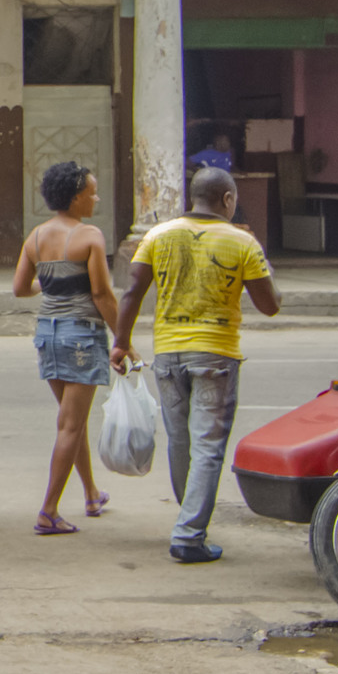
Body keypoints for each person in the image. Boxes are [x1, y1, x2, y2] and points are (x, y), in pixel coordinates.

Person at [108, 166, 280, 563]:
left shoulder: (156, 236)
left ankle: (190, 519)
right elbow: (270, 306)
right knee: (208, 444)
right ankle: (189, 534)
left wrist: (120, 343)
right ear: (227, 200)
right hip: (216, 353)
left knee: (182, 441)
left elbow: (132, 292)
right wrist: (262, 257)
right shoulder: (243, 242)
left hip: (168, 353)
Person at [12, 160, 120, 536]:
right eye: (91, 192)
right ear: (76, 198)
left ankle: (91, 493)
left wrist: (51, 283)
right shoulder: (90, 236)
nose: (96, 197)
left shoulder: (37, 237)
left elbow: (21, 288)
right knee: (71, 425)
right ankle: (49, 511)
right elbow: (102, 294)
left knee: (70, 422)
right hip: (81, 335)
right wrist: (123, 339)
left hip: (48, 334)